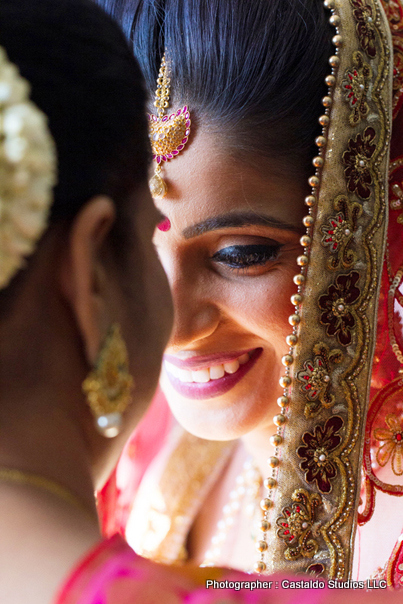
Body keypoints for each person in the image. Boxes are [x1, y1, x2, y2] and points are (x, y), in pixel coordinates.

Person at [96, 0, 403, 587]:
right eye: (126, 245)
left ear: (367, 219)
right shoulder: (154, 451)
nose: (173, 326)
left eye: (241, 255)